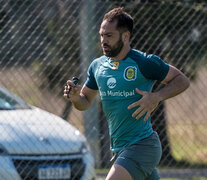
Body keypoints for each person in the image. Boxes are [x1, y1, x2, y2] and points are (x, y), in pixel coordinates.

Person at [64, 7, 190, 180]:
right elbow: (85, 102)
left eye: (109, 36)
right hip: (119, 150)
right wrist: (75, 98)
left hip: (143, 146)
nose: (103, 40)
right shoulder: (97, 66)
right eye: (101, 35)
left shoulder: (144, 62)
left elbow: (182, 80)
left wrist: (156, 97)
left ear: (125, 36)